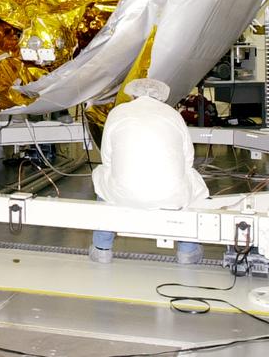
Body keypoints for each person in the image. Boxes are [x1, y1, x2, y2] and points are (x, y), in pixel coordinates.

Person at [89, 78, 209, 264]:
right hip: (170, 194)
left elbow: (107, 157)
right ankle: (188, 251)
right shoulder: (173, 114)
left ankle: (101, 248)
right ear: (161, 97)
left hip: (123, 192)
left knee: (101, 179)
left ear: (132, 94)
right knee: (192, 185)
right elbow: (188, 159)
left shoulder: (118, 112)